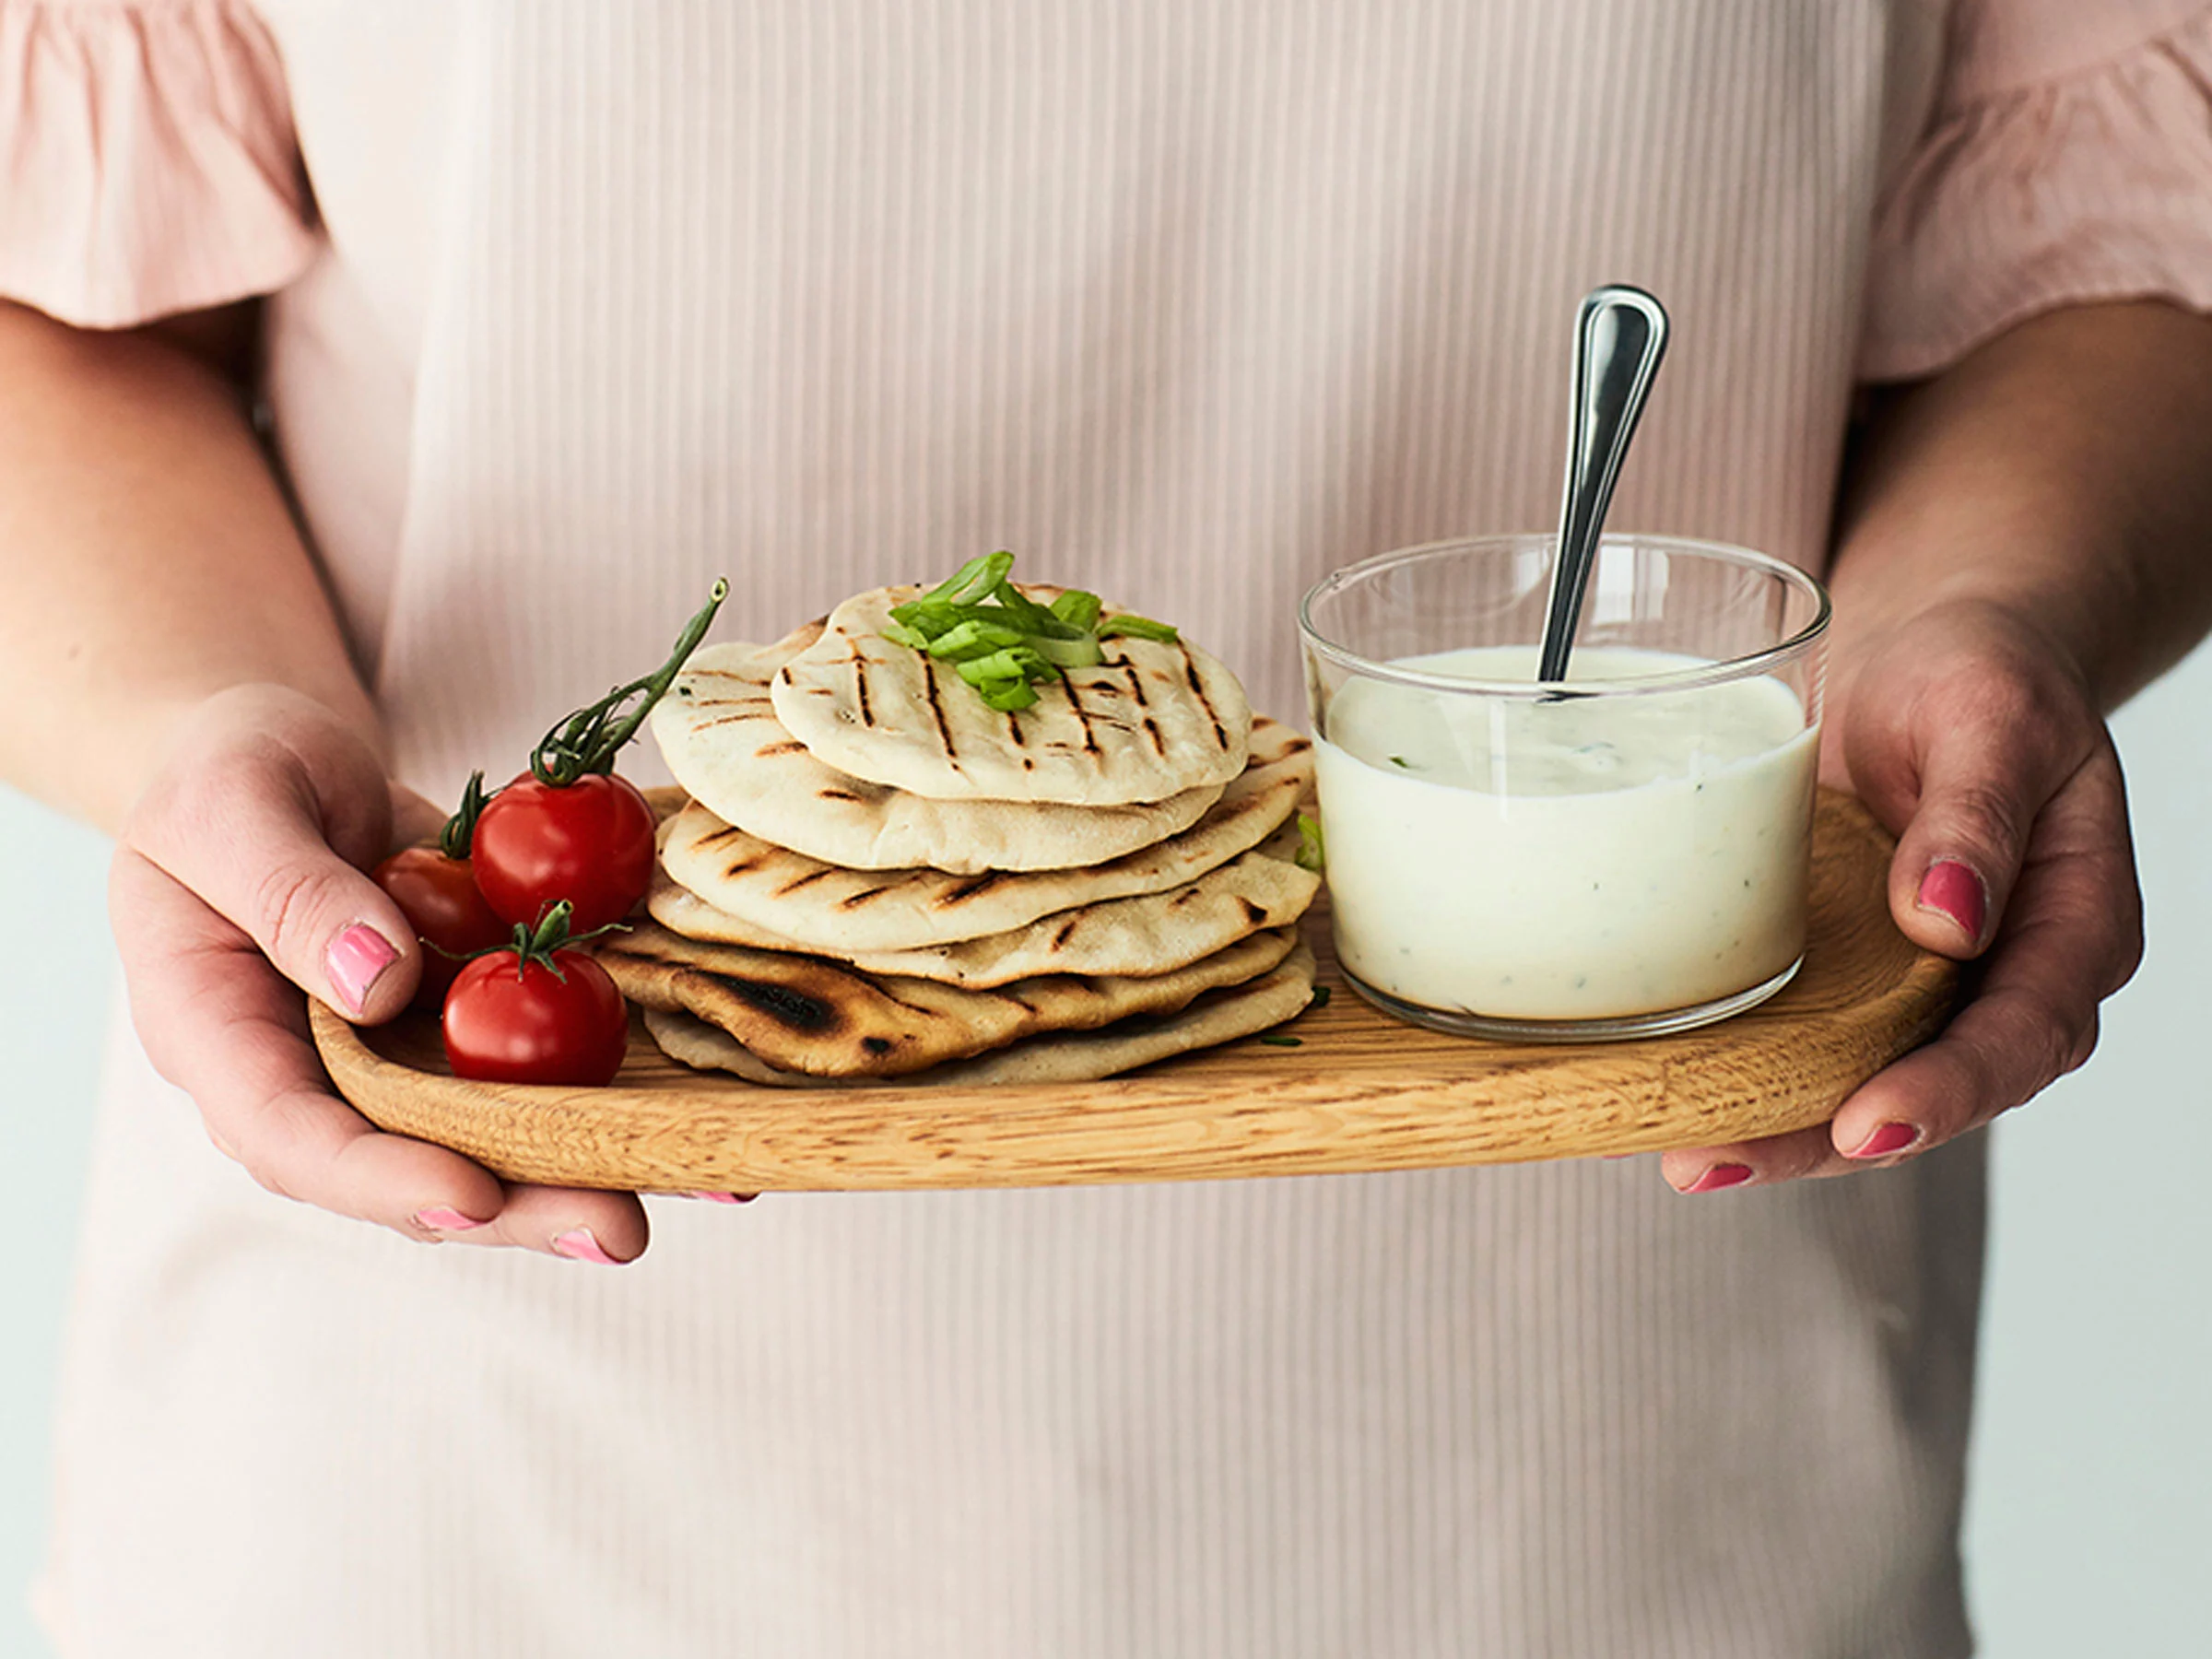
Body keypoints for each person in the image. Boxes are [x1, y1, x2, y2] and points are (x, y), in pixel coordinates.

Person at [4, 0, 2209, 1653]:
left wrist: (1992, 609)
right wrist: (207, 718)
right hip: (460, 1429)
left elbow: (2126, 219)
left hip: (1619, 1434)